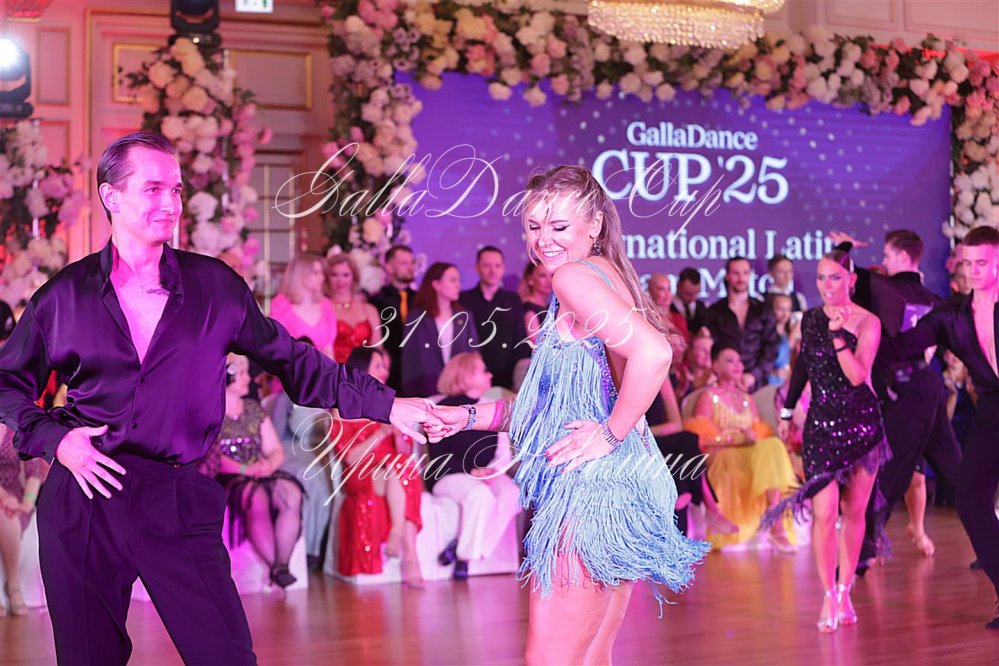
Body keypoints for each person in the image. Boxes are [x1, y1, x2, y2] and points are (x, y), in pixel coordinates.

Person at [0, 132, 438, 665]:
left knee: (225, 655)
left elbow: (292, 360)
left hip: (176, 494)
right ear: (110, 195)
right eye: (154, 188)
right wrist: (57, 440)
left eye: (177, 190)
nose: (170, 203)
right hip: (85, 492)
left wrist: (387, 405)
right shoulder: (63, 296)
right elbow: (7, 382)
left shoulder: (215, 287)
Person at [427, 165, 708, 664]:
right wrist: (466, 417)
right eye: (534, 226)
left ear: (594, 224)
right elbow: (549, 408)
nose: (544, 240)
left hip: (590, 491)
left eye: (559, 226)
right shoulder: (603, 273)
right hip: (621, 482)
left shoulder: (574, 277)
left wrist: (609, 433)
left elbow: (654, 353)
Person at [763, 248, 890, 633]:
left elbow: (857, 375)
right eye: (821, 277)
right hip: (821, 427)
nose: (826, 285)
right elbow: (803, 364)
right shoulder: (812, 319)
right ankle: (828, 595)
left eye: (835, 277)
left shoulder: (868, 322)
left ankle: (845, 589)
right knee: (824, 512)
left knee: (854, 511)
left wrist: (837, 335)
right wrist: (787, 412)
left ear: (851, 280)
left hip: (861, 426)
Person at [884, 226, 999, 630]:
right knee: (970, 499)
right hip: (993, 414)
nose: (973, 271)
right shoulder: (952, 316)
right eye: (968, 263)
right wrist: (850, 334)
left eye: (982, 262)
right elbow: (900, 346)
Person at [829, 230, 962, 568]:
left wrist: (844, 247)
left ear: (903, 257)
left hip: (903, 392)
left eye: (887, 256)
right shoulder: (936, 300)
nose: (883, 262)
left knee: (890, 472)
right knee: (954, 470)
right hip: (928, 385)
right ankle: (990, 536)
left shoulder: (881, 287)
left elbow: (838, 276)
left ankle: (861, 554)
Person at [197, 355, 304, 588]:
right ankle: (276, 567)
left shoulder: (253, 409)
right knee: (256, 498)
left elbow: (275, 449)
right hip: (228, 478)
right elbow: (213, 457)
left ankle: (281, 566)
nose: (249, 378)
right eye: (242, 373)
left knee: (291, 493)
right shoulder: (210, 412)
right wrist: (247, 469)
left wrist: (269, 466)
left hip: (259, 472)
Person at [684, 343, 797, 550]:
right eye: (730, 361)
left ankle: (773, 516)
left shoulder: (746, 399)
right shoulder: (708, 397)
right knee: (738, 457)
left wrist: (751, 437)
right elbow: (698, 438)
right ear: (715, 365)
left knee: (773, 445)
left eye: (739, 361)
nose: (737, 365)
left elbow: (758, 432)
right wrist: (735, 439)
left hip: (750, 453)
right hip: (723, 454)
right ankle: (772, 524)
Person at [334, 347, 424, 586]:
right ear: (361, 370)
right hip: (360, 471)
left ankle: (401, 540)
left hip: (392, 469)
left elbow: (405, 451)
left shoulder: (388, 404)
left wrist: (399, 434)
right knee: (402, 471)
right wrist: (381, 433)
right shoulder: (342, 408)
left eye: (385, 366)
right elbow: (349, 458)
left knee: (402, 466)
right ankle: (410, 557)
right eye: (378, 366)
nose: (384, 372)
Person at [428, 352, 520, 580]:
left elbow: (502, 454)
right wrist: (471, 472)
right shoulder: (442, 409)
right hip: (448, 476)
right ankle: (465, 558)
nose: (490, 375)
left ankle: (461, 547)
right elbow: (439, 457)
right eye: (483, 370)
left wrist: (492, 471)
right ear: (467, 376)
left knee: (513, 494)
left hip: (482, 475)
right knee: (480, 495)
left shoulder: (491, 409)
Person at [400, 262, 480, 397]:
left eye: (458, 280)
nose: (458, 285)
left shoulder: (465, 317)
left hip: (459, 392)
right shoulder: (417, 318)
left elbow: (474, 355)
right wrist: (410, 393)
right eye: (452, 280)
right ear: (436, 284)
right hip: (426, 392)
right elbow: (409, 359)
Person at [703, 257, 780, 393]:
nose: (741, 278)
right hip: (724, 383)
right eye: (736, 273)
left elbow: (771, 347)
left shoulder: (763, 310)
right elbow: (712, 349)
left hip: (757, 384)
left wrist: (754, 375)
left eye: (745, 273)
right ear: (727, 275)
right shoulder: (715, 312)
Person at [459, 246, 530, 390]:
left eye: (497, 266)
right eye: (486, 265)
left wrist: (520, 379)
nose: (492, 271)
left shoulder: (512, 300)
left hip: (508, 378)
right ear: (477, 267)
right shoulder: (463, 300)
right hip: (471, 378)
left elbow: (520, 339)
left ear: (503, 268)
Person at [0, 423, 48, 616]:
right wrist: (4, 497)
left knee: (7, 513)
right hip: (4, 497)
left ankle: (13, 585)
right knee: (4, 510)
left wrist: (27, 503)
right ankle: (12, 588)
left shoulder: (16, 425)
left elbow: (34, 470)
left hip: (15, 496)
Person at [269, 253, 337, 359]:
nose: (322, 277)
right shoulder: (281, 304)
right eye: (316, 273)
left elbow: (329, 349)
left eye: (322, 273)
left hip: (322, 367)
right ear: (300, 274)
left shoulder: (326, 304)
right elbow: (276, 342)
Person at [369, 245, 418, 390]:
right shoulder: (376, 301)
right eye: (404, 263)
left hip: (416, 370)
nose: (410, 267)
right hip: (390, 370)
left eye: (411, 263)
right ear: (389, 267)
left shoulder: (420, 300)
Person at [327, 253, 381, 363]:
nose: (340, 281)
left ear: (354, 277)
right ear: (327, 278)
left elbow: (377, 350)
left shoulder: (369, 310)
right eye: (334, 275)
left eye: (346, 275)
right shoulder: (322, 308)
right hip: (332, 370)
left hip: (364, 372)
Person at [648, 273, 691, 342]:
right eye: (661, 289)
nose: (667, 294)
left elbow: (685, 344)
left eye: (669, 289)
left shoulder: (678, 319)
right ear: (650, 291)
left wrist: (673, 329)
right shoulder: (645, 317)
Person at [521, 261, 552, 346]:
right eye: (542, 276)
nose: (548, 280)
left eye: (551, 275)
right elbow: (536, 345)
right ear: (530, 279)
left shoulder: (550, 307)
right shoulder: (529, 311)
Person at [674, 267, 708, 334]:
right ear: (678, 286)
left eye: (697, 293)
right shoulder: (667, 307)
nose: (693, 298)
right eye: (688, 294)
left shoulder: (704, 307)